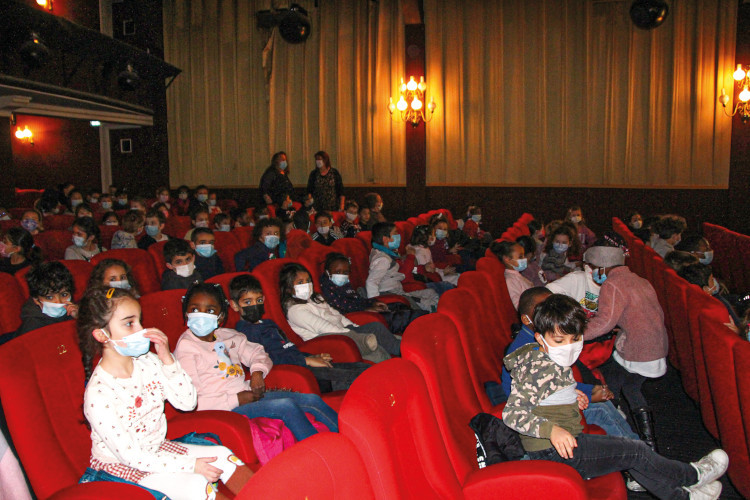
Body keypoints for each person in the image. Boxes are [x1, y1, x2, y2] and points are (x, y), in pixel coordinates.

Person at [502, 293, 728, 500]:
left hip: (565, 443)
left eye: (575, 339)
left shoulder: (552, 359)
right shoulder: (536, 368)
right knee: (634, 450)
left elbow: (547, 392)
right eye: (559, 341)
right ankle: (692, 475)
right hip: (552, 451)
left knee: (632, 453)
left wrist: (571, 395)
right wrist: (553, 430)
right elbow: (512, 413)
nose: (568, 348)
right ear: (540, 340)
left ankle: (683, 496)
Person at [77, 286, 253, 499]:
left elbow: (187, 403)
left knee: (222, 456)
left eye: (140, 321)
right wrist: (191, 465)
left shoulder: (148, 362)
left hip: (158, 450)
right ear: (101, 334)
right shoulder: (99, 393)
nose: (142, 330)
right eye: (129, 323)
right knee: (195, 484)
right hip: (121, 465)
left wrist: (168, 360)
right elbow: (132, 456)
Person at [174, 283, 339, 441]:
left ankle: (345, 438)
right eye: (195, 309)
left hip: (247, 394)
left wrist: (257, 372)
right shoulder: (186, 348)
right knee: (285, 407)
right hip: (223, 408)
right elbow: (191, 400)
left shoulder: (227, 335)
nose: (201, 315)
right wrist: (236, 400)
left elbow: (258, 352)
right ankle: (322, 451)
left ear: (220, 317)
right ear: (185, 312)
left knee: (312, 400)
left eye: (210, 310)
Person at [500, 288, 640, 454]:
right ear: (526, 319)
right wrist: (589, 393)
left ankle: (637, 449)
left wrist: (585, 391)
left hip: (557, 400)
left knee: (604, 404)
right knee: (602, 409)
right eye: (542, 309)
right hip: (544, 412)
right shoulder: (529, 350)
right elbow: (533, 392)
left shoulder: (552, 338)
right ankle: (637, 454)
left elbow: (557, 380)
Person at [582, 246, 668, 452]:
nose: (593, 273)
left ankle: (643, 444)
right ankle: (620, 421)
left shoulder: (613, 284)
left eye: (593, 268)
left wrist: (575, 335)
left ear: (602, 268)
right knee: (619, 380)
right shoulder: (640, 279)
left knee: (624, 384)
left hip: (638, 348)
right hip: (655, 343)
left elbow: (604, 322)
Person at [229, 274, 370, 392]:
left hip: (302, 364)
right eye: (247, 302)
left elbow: (289, 349)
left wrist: (312, 356)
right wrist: (305, 361)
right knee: (356, 378)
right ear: (234, 305)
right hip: (294, 374)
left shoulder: (268, 324)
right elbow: (267, 360)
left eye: (259, 300)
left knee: (364, 368)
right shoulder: (243, 334)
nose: (255, 305)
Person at [281, 263, 394, 362]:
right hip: (331, 340)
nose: (306, 285)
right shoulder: (295, 311)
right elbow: (324, 327)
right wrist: (351, 334)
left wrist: (352, 326)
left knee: (376, 328)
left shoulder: (315, 298)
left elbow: (335, 314)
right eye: (300, 282)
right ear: (288, 288)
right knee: (376, 350)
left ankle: (400, 350)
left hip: (344, 331)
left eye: (308, 281)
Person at [320, 253, 427, 335]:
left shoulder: (344, 283)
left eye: (346, 272)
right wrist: (366, 310)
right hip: (357, 317)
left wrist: (373, 302)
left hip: (363, 308)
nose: (342, 275)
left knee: (399, 306)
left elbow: (358, 300)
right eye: (338, 272)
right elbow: (341, 307)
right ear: (327, 272)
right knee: (409, 317)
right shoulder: (328, 288)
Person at [366, 222, 439, 312]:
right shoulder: (383, 259)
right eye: (395, 233)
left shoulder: (388, 253)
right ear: (386, 239)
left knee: (431, 293)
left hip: (398, 290)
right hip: (391, 294)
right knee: (429, 305)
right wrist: (375, 303)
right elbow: (371, 282)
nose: (398, 235)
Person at [4, 262, 78, 342]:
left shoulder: (73, 311)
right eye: (49, 297)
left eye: (64, 295)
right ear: (36, 300)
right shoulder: (32, 325)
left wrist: (80, 317)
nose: (58, 302)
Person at [679, 263, 743, 334]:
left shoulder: (686, 305)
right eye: (712, 280)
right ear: (706, 289)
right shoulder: (717, 309)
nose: (715, 281)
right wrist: (739, 332)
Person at [408, 225, 459, 290]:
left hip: (437, 275)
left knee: (458, 276)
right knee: (457, 279)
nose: (434, 237)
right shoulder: (420, 252)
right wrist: (443, 273)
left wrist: (443, 271)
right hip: (431, 281)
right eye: (433, 234)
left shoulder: (425, 249)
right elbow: (427, 274)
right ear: (427, 237)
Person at [490, 240, 532, 310]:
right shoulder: (510, 280)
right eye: (520, 257)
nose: (525, 259)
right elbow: (518, 305)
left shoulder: (517, 275)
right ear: (507, 259)